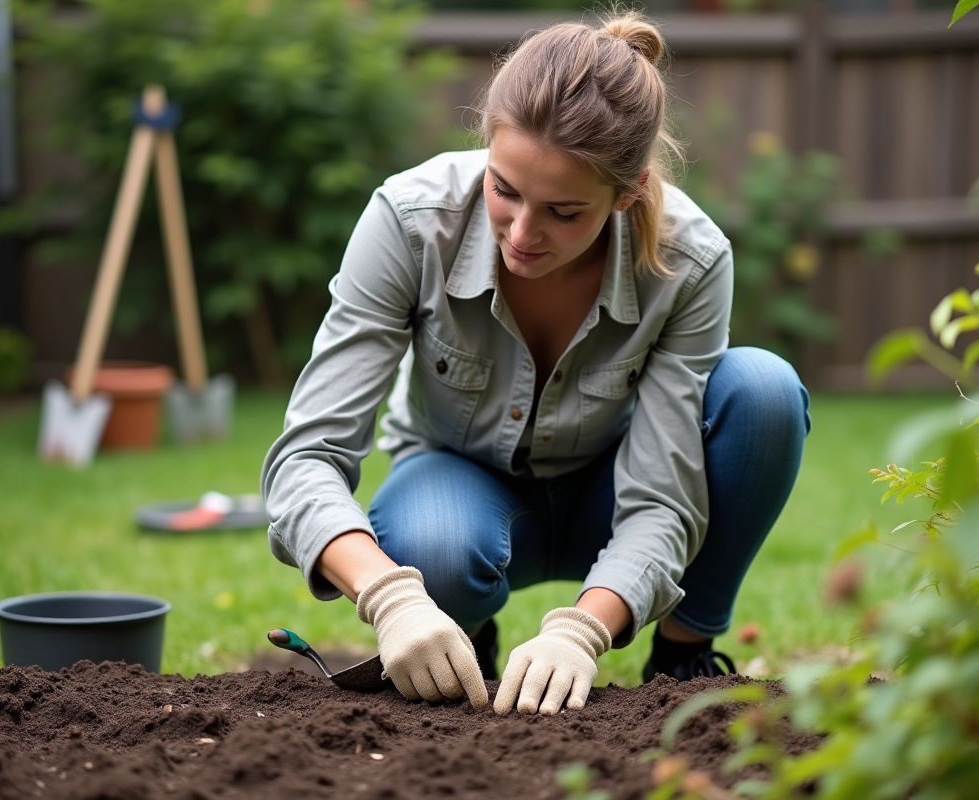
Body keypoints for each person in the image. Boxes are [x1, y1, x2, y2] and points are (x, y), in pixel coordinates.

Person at [261, 11, 810, 716]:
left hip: (610, 488)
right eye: (505, 190)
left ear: (628, 192)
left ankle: (684, 657)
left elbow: (662, 499)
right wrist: (391, 596)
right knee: (434, 546)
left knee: (762, 391)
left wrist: (582, 631)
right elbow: (305, 457)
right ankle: (460, 636)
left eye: (564, 212)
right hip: (459, 482)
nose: (522, 233)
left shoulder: (691, 261)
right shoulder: (410, 220)